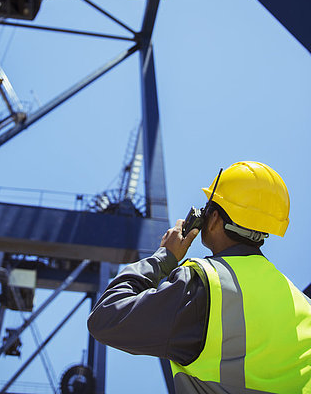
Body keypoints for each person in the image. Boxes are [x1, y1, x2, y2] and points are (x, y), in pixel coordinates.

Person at [87, 161, 311, 393]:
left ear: (213, 219)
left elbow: (105, 318)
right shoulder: (303, 303)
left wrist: (164, 257)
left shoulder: (203, 283)